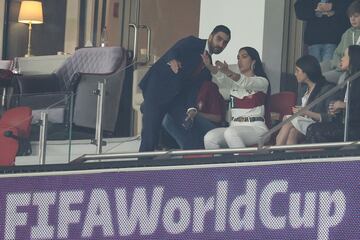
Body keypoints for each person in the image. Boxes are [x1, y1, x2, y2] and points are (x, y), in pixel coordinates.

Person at [138, 25, 231, 152]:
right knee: (150, 131)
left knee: (186, 123)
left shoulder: (208, 64)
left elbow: (195, 88)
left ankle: (191, 159)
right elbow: (174, 50)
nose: (220, 44)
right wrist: (173, 60)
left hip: (177, 97)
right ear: (211, 36)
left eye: (225, 43)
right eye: (218, 39)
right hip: (158, 89)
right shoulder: (193, 42)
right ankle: (142, 166)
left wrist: (191, 107)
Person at [203, 47, 271, 149]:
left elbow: (245, 82)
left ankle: (241, 164)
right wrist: (209, 66)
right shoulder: (233, 83)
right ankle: (221, 164)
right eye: (238, 58)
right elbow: (220, 77)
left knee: (231, 133)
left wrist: (227, 71)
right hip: (234, 125)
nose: (240, 61)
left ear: (253, 61)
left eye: (244, 57)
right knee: (209, 137)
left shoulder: (261, 81)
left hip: (256, 127)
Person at [276, 55, 337, 145]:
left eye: (297, 70)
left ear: (307, 72)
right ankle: (289, 158)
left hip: (317, 127)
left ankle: (275, 151)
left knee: (289, 121)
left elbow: (330, 117)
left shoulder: (327, 89)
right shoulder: (302, 90)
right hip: (302, 125)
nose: (295, 74)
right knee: (292, 132)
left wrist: (306, 112)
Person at [305, 45, 360, 143]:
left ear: (353, 58)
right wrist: (335, 110)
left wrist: (344, 105)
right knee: (312, 128)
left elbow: (353, 107)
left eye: (344, 56)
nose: (341, 59)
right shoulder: (348, 80)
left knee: (314, 131)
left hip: (355, 128)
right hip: (343, 125)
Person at [162, 79, 226, 149]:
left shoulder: (208, 87)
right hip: (191, 130)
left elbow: (217, 118)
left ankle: (190, 149)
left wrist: (196, 114)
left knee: (192, 118)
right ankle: (187, 149)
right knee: (168, 119)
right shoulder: (182, 90)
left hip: (213, 128)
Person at [322, 0, 360, 83]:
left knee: (323, 78)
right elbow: (337, 53)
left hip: (354, 71)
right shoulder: (347, 34)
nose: (352, 19)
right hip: (341, 68)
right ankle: (308, 95)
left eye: (356, 16)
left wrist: (349, 66)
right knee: (320, 68)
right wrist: (338, 64)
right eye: (350, 16)